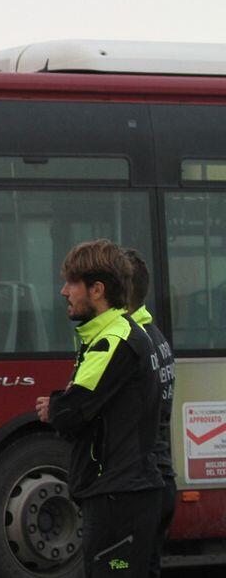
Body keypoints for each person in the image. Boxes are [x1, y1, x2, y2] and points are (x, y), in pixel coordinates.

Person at [34, 239, 162, 578]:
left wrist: (55, 407)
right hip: (127, 493)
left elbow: (72, 412)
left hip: (117, 498)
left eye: (71, 283)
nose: (64, 292)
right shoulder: (123, 333)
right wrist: (63, 404)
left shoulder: (112, 341)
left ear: (97, 290)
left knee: (113, 570)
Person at [123, 248, 177, 578]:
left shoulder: (130, 343)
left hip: (139, 491)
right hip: (162, 480)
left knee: (116, 568)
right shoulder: (156, 337)